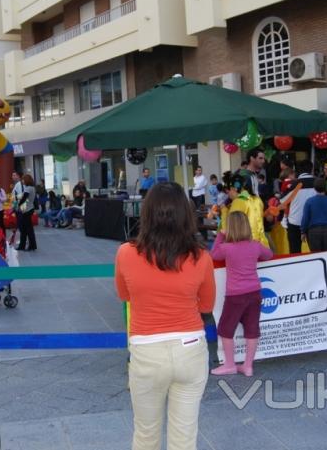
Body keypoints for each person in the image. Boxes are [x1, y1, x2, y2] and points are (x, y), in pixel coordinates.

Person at [114, 182, 215, 450]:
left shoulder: (125, 253)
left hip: (147, 351)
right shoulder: (201, 256)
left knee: (146, 435)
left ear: (146, 214)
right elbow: (207, 306)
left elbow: (124, 295)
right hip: (191, 350)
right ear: (185, 213)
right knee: (184, 438)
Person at [210, 211, 273, 376]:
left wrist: (220, 236)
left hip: (235, 295)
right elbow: (269, 255)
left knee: (225, 328)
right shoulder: (255, 245)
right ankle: (248, 366)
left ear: (229, 228)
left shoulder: (226, 248)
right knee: (252, 329)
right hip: (255, 293)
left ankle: (230, 364)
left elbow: (213, 254)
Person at [279, 159, 316, 254]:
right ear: (311, 170)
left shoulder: (293, 184)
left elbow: (283, 201)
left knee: (295, 253)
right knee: (316, 253)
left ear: (298, 171)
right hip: (313, 222)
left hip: (295, 222)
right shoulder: (318, 183)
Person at [301, 177, 327, 253]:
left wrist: (303, 232)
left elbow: (305, 218)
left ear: (314, 188)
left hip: (313, 232)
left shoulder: (309, 201)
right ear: (325, 187)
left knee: (316, 256)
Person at [15, 173, 37, 251]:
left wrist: (18, 204)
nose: (22, 181)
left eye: (23, 180)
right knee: (26, 229)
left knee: (26, 229)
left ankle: (29, 245)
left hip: (26, 210)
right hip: (29, 209)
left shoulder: (28, 188)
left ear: (26, 180)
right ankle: (27, 245)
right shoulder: (32, 188)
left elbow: (23, 199)